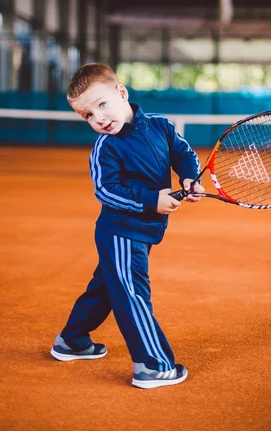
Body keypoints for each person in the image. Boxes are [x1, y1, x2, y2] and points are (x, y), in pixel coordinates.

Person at [50, 63, 205, 389]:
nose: (99, 119)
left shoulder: (161, 126)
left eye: (102, 105)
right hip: (120, 231)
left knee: (105, 287)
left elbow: (183, 153)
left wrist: (189, 177)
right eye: (88, 115)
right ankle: (153, 365)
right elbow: (105, 190)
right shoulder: (106, 148)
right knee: (132, 292)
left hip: (144, 230)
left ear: (122, 94)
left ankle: (72, 340)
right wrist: (152, 200)